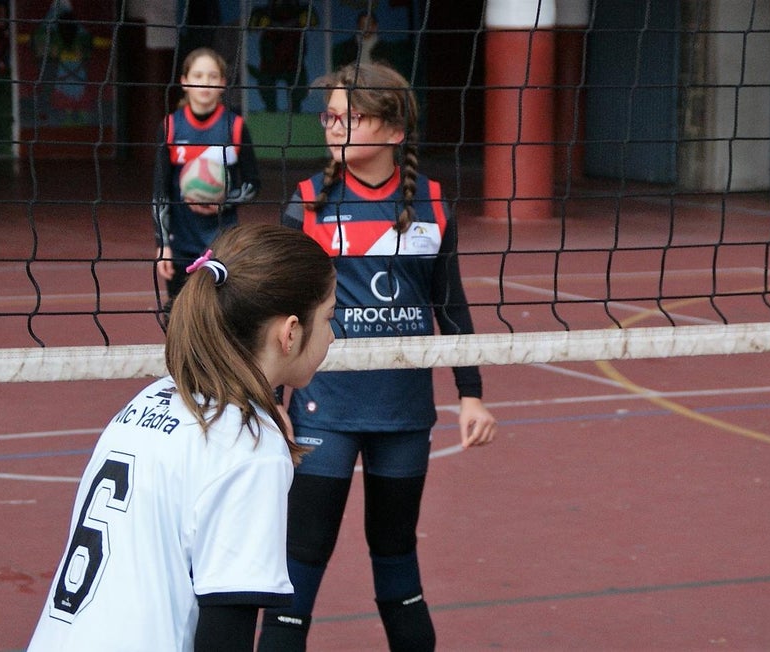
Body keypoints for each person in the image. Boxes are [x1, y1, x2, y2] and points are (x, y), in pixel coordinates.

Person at [258, 62, 498, 652]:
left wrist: (471, 394)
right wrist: (270, 402)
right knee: (302, 557)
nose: (335, 126)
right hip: (324, 410)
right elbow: (280, 313)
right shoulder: (308, 204)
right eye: (330, 116)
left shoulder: (433, 204)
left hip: (403, 413)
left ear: (394, 130)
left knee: (396, 556)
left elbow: (450, 303)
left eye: (353, 116)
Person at [27, 224, 337, 651]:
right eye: (329, 318)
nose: (332, 335)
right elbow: (226, 633)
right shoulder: (251, 444)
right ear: (290, 333)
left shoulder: (152, 397)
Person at [153, 47, 260, 305]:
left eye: (213, 76)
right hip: (181, 243)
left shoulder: (235, 126)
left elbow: (253, 184)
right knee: (178, 314)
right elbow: (160, 192)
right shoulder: (171, 126)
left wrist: (223, 201)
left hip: (223, 243)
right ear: (184, 81)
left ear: (222, 83)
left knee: (221, 314)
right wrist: (163, 244)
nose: (205, 82)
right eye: (198, 75)